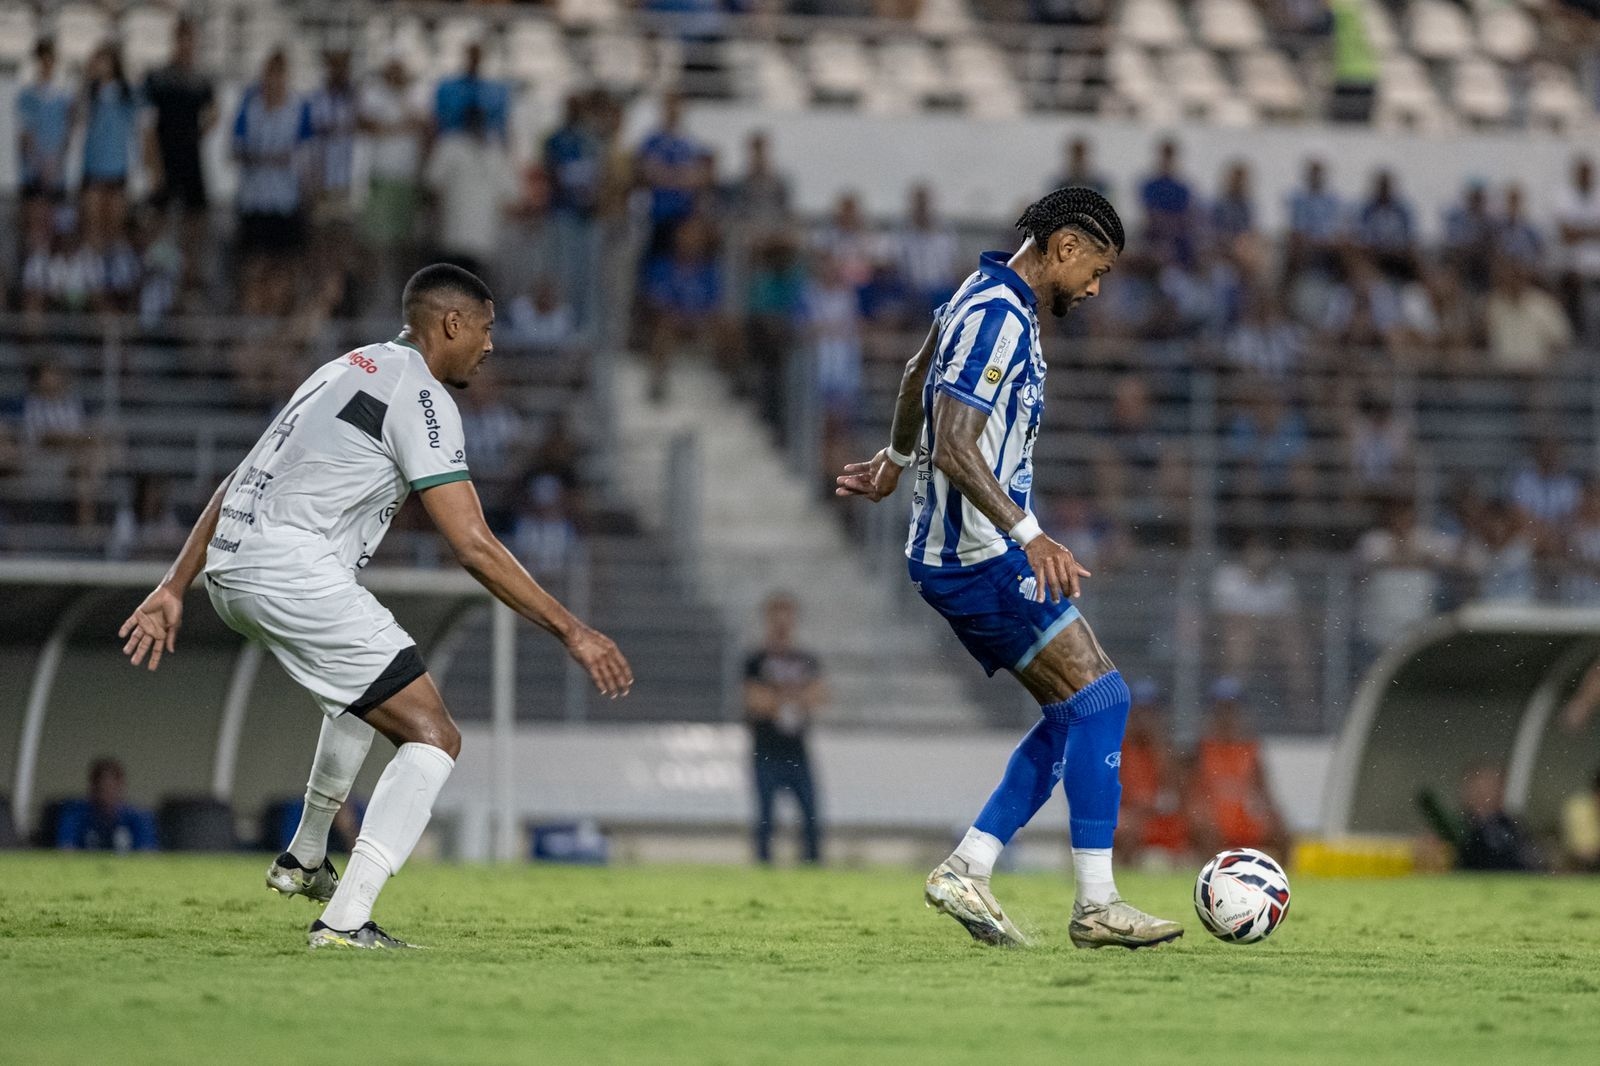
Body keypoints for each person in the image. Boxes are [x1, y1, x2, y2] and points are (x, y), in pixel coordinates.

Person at [117, 265, 632, 950]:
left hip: (235, 564)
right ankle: (345, 920)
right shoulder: (421, 396)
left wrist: (176, 584)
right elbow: (473, 544)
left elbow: (236, 480)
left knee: (365, 693)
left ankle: (304, 856)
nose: (489, 345)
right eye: (486, 328)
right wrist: (574, 631)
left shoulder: (342, 369)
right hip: (289, 569)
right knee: (433, 735)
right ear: (451, 323)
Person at [835, 187, 1182, 949]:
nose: (1096, 288)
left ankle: (971, 865)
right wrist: (1032, 535)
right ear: (1063, 248)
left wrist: (894, 461)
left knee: (1073, 713)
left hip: (959, 553)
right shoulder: (998, 315)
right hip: (977, 554)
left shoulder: (980, 293)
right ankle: (1095, 904)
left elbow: (913, 372)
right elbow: (956, 442)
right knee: (1105, 699)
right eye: (1097, 268)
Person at [744, 592, 828, 865]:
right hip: (766, 750)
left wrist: (777, 697)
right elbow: (755, 702)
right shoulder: (755, 660)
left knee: (811, 818)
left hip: (797, 751)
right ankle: (763, 867)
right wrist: (795, 697)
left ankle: (812, 869)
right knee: (766, 820)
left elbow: (819, 697)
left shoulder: (806, 658)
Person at [142, 16, 215, 297]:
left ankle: (188, 281)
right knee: (159, 221)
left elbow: (213, 112)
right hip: (166, 159)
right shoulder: (159, 78)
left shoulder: (199, 80)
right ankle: (158, 278)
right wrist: (153, 164)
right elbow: (148, 126)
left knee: (195, 222)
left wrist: (197, 134)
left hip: (190, 160)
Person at [1184, 680, 1288, 858]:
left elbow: (1264, 793)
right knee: (1205, 831)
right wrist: (1199, 814)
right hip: (1213, 819)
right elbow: (1188, 793)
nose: (1226, 716)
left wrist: (1274, 816)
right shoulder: (1200, 749)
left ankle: (1277, 880)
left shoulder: (1250, 749)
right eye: (1221, 709)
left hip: (1242, 818)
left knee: (1283, 833)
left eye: (1231, 709)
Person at [77, 44, 141, 256]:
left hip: (117, 164)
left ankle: (113, 269)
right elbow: (78, 115)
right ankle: (94, 268)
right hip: (94, 164)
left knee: (115, 223)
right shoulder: (91, 92)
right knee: (92, 221)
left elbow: (140, 121)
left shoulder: (125, 92)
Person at [16, 38, 74, 248]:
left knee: (57, 226)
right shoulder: (28, 95)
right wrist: (39, 163)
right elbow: (25, 133)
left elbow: (68, 132)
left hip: (56, 169)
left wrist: (56, 162)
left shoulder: (64, 96)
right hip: (34, 169)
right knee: (34, 224)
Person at [55, 758, 158, 852]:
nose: (106, 795)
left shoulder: (139, 818)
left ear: (121, 786)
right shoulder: (75, 815)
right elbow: (65, 850)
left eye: (111, 788)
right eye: (101, 789)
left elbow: (147, 854)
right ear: (92, 788)